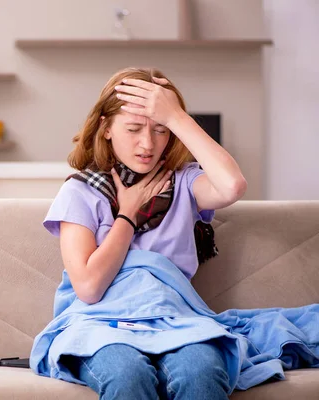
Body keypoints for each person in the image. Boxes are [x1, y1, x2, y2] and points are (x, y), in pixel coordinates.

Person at [30, 67, 248, 400]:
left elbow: (232, 185)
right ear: (105, 128)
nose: (148, 144)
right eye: (133, 129)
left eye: (161, 130)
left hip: (174, 322)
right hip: (99, 325)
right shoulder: (81, 192)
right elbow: (88, 287)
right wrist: (127, 216)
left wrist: (177, 115)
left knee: (202, 373)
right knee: (128, 375)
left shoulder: (185, 182)